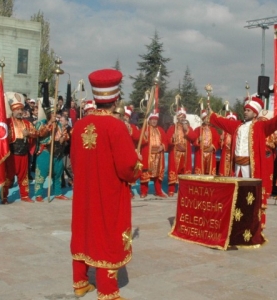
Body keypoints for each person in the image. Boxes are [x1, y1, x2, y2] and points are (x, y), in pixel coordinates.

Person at [70, 69, 142, 300]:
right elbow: (126, 166)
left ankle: (80, 282)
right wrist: (137, 165)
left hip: (84, 189)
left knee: (83, 229)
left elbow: (74, 159)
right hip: (109, 191)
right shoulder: (116, 126)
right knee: (107, 234)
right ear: (115, 98)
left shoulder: (80, 125)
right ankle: (108, 291)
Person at [209, 96, 277, 227]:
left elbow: (273, 124)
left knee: (251, 195)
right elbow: (223, 122)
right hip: (238, 166)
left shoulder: (261, 126)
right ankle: (238, 221)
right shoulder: (237, 126)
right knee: (238, 195)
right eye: (245, 110)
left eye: (248, 110)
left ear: (255, 113)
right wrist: (211, 114)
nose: (245, 112)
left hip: (250, 167)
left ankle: (253, 224)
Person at [0, 95, 37, 204]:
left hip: (24, 154)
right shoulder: (7, 122)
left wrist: (29, 134)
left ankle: (24, 195)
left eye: (21, 109)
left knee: (23, 176)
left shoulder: (27, 123)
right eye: (17, 110)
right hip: (12, 154)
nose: (20, 112)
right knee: (8, 177)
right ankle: (4, 197)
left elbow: (36, 133)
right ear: (13, 111)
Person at [34, 109, 70, 202]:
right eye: (53, 113)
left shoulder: (59, 125)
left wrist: (63, 137)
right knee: (41, 173)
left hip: (57, 152)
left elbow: (65, 136)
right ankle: (38, 194)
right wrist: (50, 123)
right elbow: (40, 133)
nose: (56, 115)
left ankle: (58, 192)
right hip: (45, 151)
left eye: (56, 113)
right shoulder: (41, 123)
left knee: (58, 173)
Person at [139, 108, 168, 198]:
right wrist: (145, 136)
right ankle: (144, 192)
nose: (154, 121)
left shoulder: (160, 130)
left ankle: (158, 191)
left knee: (158, 175)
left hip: (158, 157)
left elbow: (166, 141)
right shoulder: (145, 129)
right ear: (149, 120)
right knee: (145, 174)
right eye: (152, 120)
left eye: (156, 120)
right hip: (148, 156)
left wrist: (162, 146)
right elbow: (139, 142)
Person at [166, 106, 193, 196]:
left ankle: (183, 189)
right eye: (180, 117)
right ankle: (171, 189)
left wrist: (187, 130)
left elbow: (194, 137)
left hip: (185, 154)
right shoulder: (172, 128)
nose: (182, 119)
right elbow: (167, 141)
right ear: (177, 118)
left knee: (184, 171)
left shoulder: (188, 128)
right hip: (175, 153)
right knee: (174, 170)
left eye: (183, 117)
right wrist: (172, 139)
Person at [188, 110, 219, 176]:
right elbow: (193, 140)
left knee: (210, 173)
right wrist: (198, 140)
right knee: (200, 173)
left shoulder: (213, 130)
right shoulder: (197, 130)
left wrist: (213, 146)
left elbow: (217, 140)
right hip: (200, 153)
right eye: (205, 118)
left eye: (208, 118)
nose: (207, 120)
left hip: (210, 154)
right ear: (203, 119)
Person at [218, 112, 236, 177]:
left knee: (232, 170)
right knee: (223, 171)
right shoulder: (224, 132)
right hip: (225, 153)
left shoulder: (236, 132)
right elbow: (220, 145)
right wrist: (221, 139)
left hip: (233, 154)